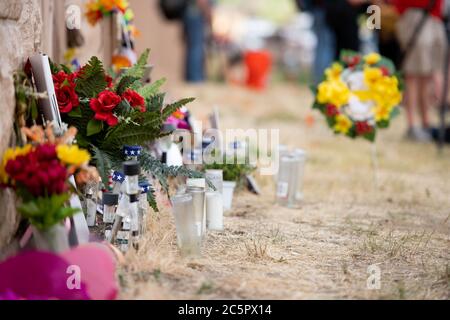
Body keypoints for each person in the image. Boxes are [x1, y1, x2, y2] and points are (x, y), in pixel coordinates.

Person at [394, 0, 446, 141]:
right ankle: (412, 126)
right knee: (413, 74)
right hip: (415, 15)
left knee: (427, 74)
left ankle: (425, 123)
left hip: (435, 16)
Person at [183, 0, 213, 82]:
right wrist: (207, 11)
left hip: (193, 11)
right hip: (196, 12)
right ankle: (195, 79)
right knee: (196, 48)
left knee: (194, 47)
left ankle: (192, 78)